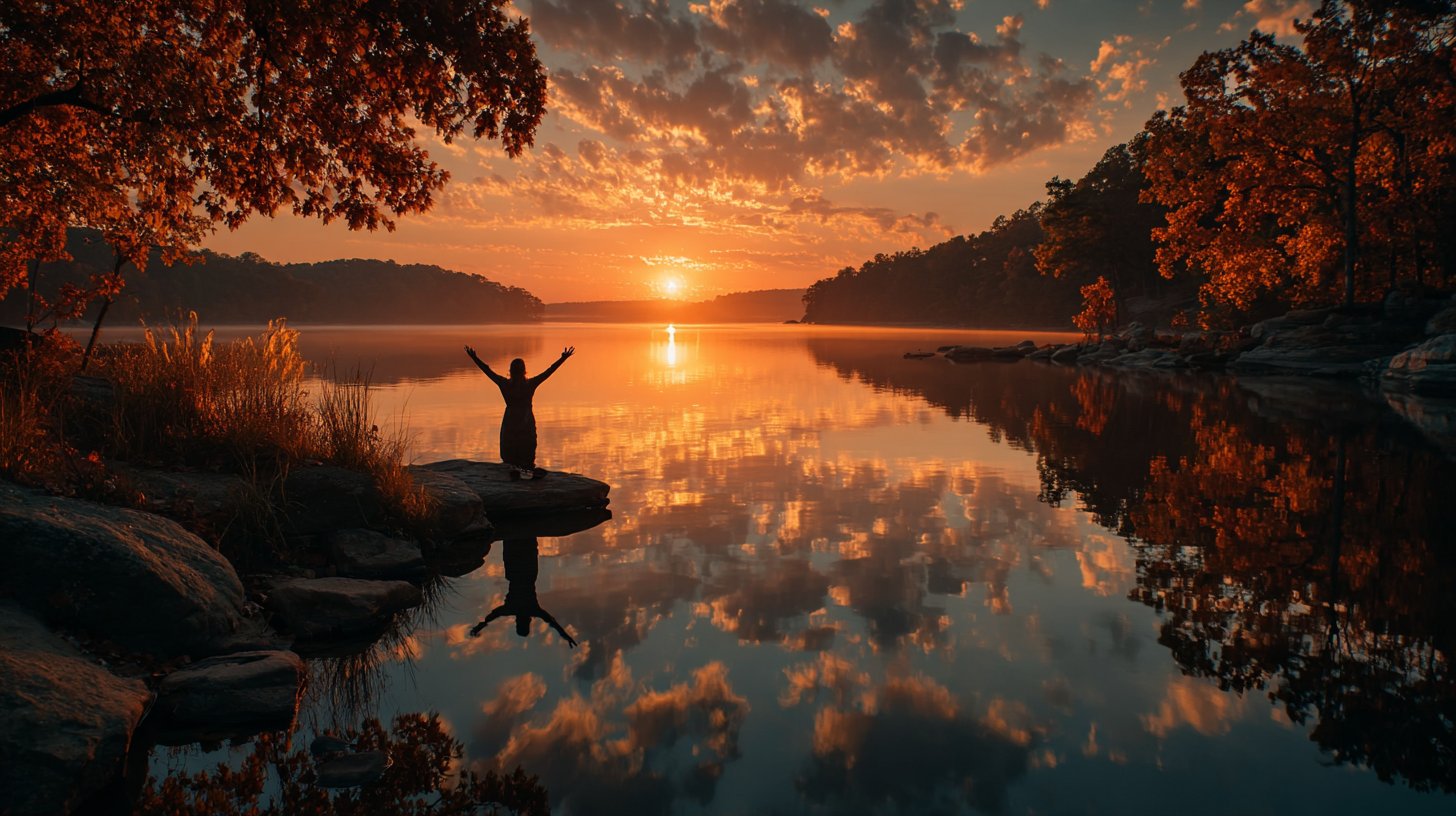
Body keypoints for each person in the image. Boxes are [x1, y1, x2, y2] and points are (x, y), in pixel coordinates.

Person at [465, 344, 574, 479]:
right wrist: (563, 359)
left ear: (510, 371)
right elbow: (549, 372)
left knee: (510, 457)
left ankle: (516, 475)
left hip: (510, 423)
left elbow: (487, 370)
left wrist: (474, 358)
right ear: (524, 371)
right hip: (526, 422)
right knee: (527, 456)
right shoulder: (530, 384)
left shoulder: (504, 384)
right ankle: (526, 475)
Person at [469, 538, 577, 647]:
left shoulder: (532, 609)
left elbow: (552, 622)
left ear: (528, 622)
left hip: (527, 570)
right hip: (515, 568)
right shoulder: (512, 609)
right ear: (517, 622)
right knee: (514, 539)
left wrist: (565, 635)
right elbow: (492, 616)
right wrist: (481, 626)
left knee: (526, 540)